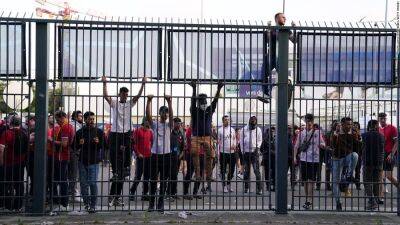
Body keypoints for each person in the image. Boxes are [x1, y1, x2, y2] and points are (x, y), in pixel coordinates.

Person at [102, 75, 147, 207]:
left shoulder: (129, 104)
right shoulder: (115, 103)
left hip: (126, 135)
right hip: (116, 135)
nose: (125, 96)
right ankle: (112, 197)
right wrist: (104, 83)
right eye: (123, 94)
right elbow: (105, 96)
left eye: (126, 94)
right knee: (117, 171)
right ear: (119, 94)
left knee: (123, 171)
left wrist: (143, 84)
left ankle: (116, 197)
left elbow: (138, 97)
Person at [189, 81, 224, 193]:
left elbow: (216, 100)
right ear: (199, 102)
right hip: (196, 137)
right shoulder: (194, 110)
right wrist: (194, 88)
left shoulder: (209, 109)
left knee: (211, 155)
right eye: (201, 101)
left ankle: (208, 176)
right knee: (194, 153)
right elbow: (192, 101)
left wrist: (218, 88)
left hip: (208, 137)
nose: (204, 102)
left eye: (205, 101)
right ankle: (198, 175)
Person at [146, 94, 174, 212]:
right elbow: (148, 116)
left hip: (166, 155)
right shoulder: (155, 124)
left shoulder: (169, 125)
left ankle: (160, 204)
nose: (166, 114)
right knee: (153, 180)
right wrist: (149, 101)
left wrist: (169, 102)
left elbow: (172, 116)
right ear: (160, 113)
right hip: (155, 155)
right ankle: (151, 204)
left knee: (163, 181)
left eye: (167, 112)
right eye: (164, 112)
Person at [74, 111, 104, 213]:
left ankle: (93, 205)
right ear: (85, 120)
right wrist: (79, 143)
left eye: (93, 119)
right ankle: (86, 204)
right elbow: (73, 146)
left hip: (94, 162)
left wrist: (98, 142)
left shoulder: (99, 132)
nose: (92, 121)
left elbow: (106, 146)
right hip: (82, 161)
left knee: (92, 183)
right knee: (83, 184)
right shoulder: (79, 132)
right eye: (90, 119)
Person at [294, 114, 326, 210]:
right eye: (307, 122)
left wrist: (322, 145)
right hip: (304, 159)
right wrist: (295, 157)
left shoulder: (318, 132)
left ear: (313, 122)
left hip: (314, 160)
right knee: (305, 181)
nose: (309, 123)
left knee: (311, 181)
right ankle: (307, 199)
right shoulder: (301, 133)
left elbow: (322, 143)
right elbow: (296, 146)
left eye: (310, 122)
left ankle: (309, 201)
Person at [330, 117, 361, 211]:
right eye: (348, 124)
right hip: (337, 158)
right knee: (336, 181)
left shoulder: (353, 133)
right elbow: (333, 145)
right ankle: (338, 202)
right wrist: (336, 134)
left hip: (347, 156)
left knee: (355, 155)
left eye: (350, 124)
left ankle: (349, 175)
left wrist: (358, 136)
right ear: (342, 124)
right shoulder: (337, 132)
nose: (350, 126)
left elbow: (358, 147)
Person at [0, 115, 28, 211]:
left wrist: (1, 162)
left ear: (10, 123)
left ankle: (7, 206)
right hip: (20, 163)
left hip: (8, 163)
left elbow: (1, 149)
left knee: (5, 184)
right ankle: (18, 206)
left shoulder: (6, 133)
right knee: (19, 184)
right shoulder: (24, 133)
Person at [48, 110, 75, 210]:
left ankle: (64, 202)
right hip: (62, 156)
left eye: (57, 119)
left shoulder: (66, 127)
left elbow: (64, 144)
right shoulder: (67, 126)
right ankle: (62, 201)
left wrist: (51, 140)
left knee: (62, 180)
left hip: (62, 156)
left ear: (62, 117)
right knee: (61, 179)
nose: (56, 121)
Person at [362, 119, 384, 210]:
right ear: (375, 126)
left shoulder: (364, 136)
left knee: (366, 182)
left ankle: (372, 201)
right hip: (378, 162)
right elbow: (382, 149)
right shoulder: (381, 136)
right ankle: (375, 200)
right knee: (376, 183)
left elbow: (362, 148)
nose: (378, 126)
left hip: (367, 162)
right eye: (377, 125)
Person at [129, 118, 153, 202]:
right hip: (140, 157)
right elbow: (134, 144)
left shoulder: (150, 132)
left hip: (148, 157)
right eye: (147, 125)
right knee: (138, 177)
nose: (148, 127)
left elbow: (152, 143)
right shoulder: (137, 131)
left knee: (147, 177)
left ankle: (145, 194)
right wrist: (138, 153)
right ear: (143, 123)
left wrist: (151, 152)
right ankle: (132, 192)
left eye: (149, 125)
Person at [378, 112, 399, 202]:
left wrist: (392, 154)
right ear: (378, 119)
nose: (383, 120)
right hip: (380, 154)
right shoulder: (378, 129)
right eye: (381, 118)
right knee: (381, 176)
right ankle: (381, 197)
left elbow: (397, 142)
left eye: (384, 118)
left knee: (389, 176)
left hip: (389, 154)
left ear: (386, 119)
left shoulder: (392, 128)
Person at [240, 116, 263, 195]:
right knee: (246, 171)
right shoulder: (244, 129)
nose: (253, 122)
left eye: (255, 121)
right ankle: (246, 188)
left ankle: (259, 189)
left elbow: (260, 140)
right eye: (252, 120)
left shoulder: (258, 129)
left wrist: (258, 147)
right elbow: (241, 141)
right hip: (246, 153)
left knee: (257, 171)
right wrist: (242, 151)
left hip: (254, 152)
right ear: (249, 121)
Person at [167, 117, 186, 200]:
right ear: (173, 123)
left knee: (175, 176)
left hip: (177, 159)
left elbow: (183, 147)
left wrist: (181, 155)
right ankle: (168, 194)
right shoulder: (169, 133)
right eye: (177, 123)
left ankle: (174, 193)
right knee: (170, 176)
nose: (178, 124)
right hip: (169, 158)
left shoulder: (181, 134)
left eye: (179, 123)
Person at [217, 115, 237, 193]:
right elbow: (218, 142)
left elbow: (234, 139)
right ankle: (224, 186)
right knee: (223, 170)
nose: (227, 121)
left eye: (228, 120)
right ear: (223, 121)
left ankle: (228, 184)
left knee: (231, 170)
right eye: (225, 120)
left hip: (232, 153)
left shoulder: (232, 129)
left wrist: (234, 145)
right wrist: (218, 152)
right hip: (223, 153)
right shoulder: (220, 130)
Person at [69, 110, 84, 202]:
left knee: (74, 173)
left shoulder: (78, 125)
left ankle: (72, 192)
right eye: (80, 116)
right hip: (74, 151)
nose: (81, 118)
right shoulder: (74, 125)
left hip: (77, 151)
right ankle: (73, 194)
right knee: (74, 174)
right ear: (75, 117)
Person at [260, 126, 276, 192]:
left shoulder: (276, 139)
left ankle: (274, 186)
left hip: (274, 158)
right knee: (267, 172)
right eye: (271, 131)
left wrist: (274, 152)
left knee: (275, 172)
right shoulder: (265, 140)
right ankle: (268, 186)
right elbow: (261, 149)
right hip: (267, 158)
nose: (272, 133)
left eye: (273, 131)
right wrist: (266, 152)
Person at [25, 114, 36, 196]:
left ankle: (33, 192)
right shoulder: (30, 129)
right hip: (30, 154)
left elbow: (31, 141)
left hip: (34, 155)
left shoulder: (34, 129)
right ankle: (32, 191)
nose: (26, 122)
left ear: (32, 120)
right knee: (32, 175)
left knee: (33, 175)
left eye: (27, 120)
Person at [352, 121, 362, 190]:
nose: (355, 126)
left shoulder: (360, 135)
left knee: (358, 170)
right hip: (351, 154)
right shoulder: (350, 134)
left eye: (357, 125)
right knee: (349, 170)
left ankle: (357, 184)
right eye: (354, 125)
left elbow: (362, 145)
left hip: (358, 154)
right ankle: (345, 185)